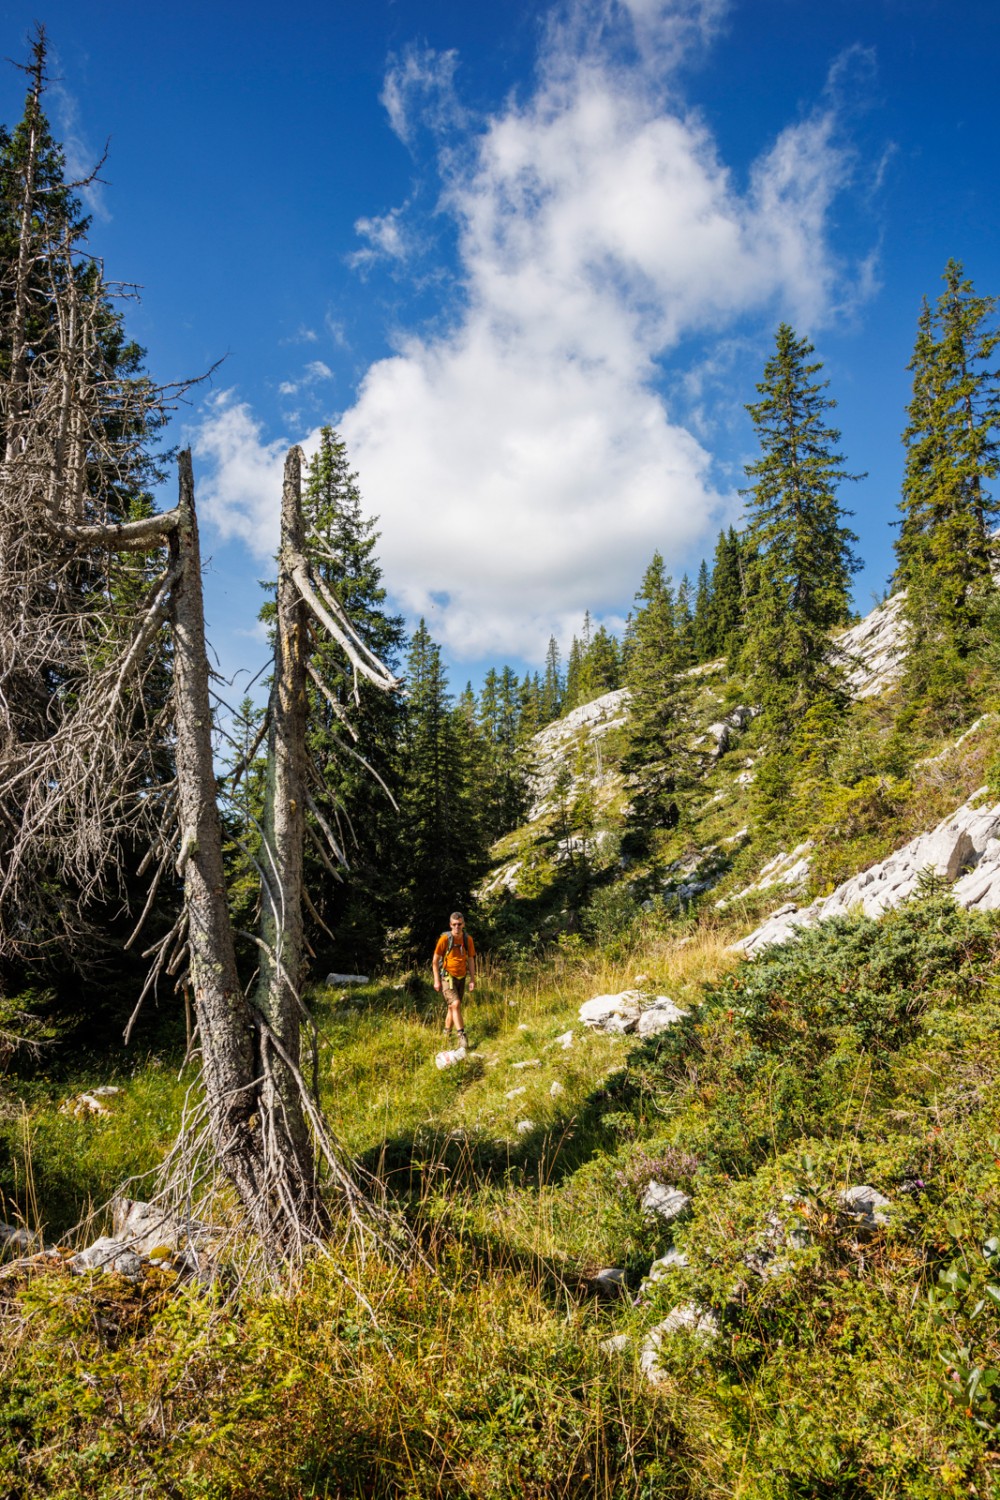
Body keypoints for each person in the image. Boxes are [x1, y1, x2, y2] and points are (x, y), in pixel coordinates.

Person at [433, 911, 476, 1049]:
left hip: (461, 977)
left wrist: (472, 979)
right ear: (450, 925)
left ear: (463, 924)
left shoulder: (467, 939)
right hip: (447, 977)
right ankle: (462, 1036)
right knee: (456, 1004)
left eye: (459, 924)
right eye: (454, 924)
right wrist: (436, 980)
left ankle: (446, 1033)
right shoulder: (445, 939)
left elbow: (470, 959)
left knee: (452, 1008)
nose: (457, 927)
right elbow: (435, 961)